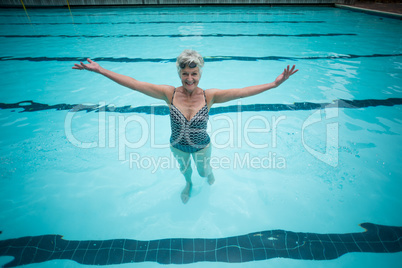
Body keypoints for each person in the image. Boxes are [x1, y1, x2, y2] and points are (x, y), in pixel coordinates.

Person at [73, 49, 298, 204]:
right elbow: (134, 84)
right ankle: (188, 185)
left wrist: (274, 84)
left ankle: (208, 174)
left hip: (202, 148)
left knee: (203, 171)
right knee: (186, 172)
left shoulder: (210, 96)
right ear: (179, 73)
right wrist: (101, 70)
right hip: (177, 147)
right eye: (185, 74)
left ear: (200, 73)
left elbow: (243, 92)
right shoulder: (168, 93)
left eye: (194, 74)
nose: (189, 79)